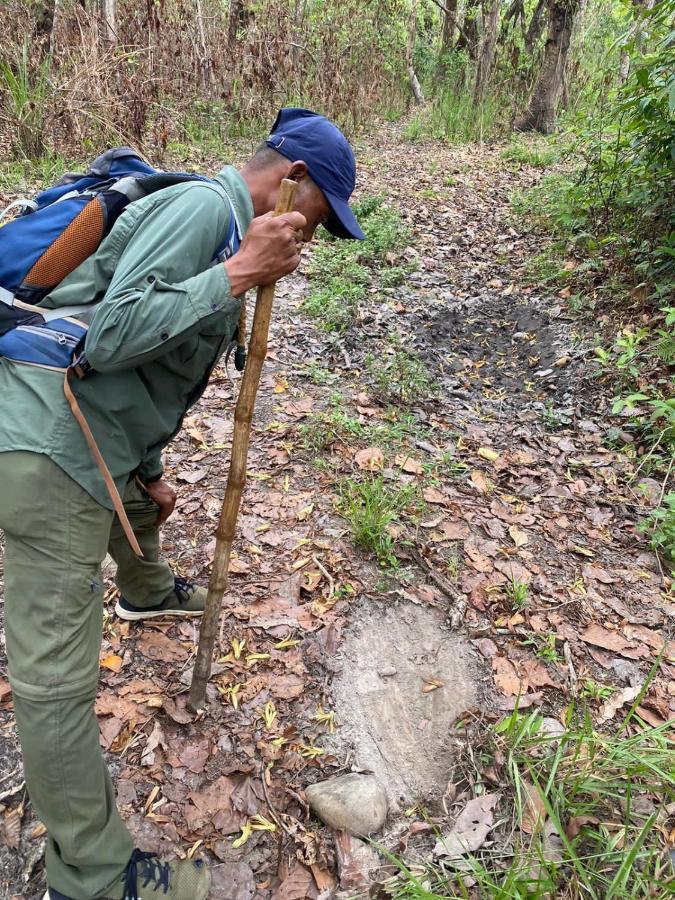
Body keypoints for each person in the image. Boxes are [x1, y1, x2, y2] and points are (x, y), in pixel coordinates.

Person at [0, 107, 363, 900]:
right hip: (46, 443)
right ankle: (95, 876)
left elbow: (153, 373)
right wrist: (239, 273)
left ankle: (145, 590)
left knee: (141, 507)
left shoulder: (227, 230)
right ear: (290, 180)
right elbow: (114, 336)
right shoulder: (205, 210)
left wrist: (150, 471)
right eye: (315, 217)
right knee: (54, 673)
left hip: (88, 427)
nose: (312, 236)